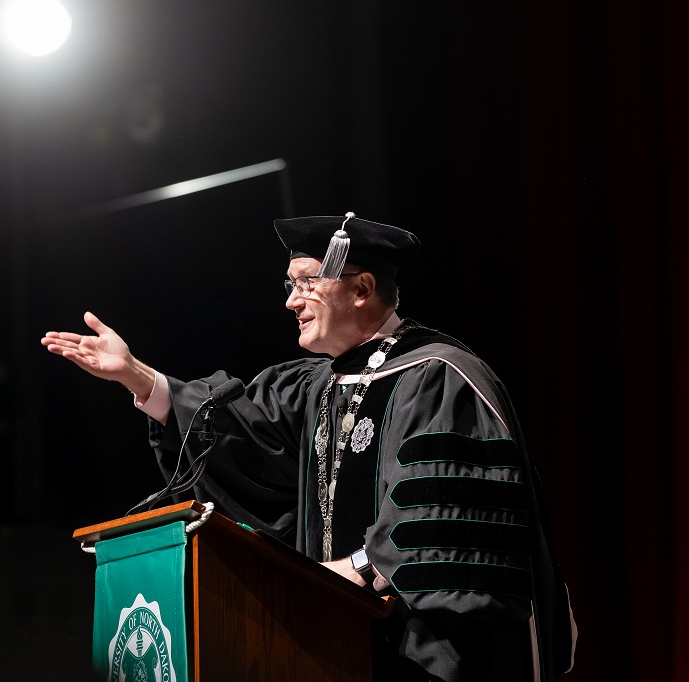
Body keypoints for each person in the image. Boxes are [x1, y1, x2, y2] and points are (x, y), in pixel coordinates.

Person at [41, 213, 576, 682]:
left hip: (432, 656)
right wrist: (138, 378)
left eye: (305, 282)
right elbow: (241, 436)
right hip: (337, 647)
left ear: (362, 288)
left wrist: (360, 569)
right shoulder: (316, 386)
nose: (290, 300)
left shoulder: (439, 378)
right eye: (289, 283)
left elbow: (442, 524)